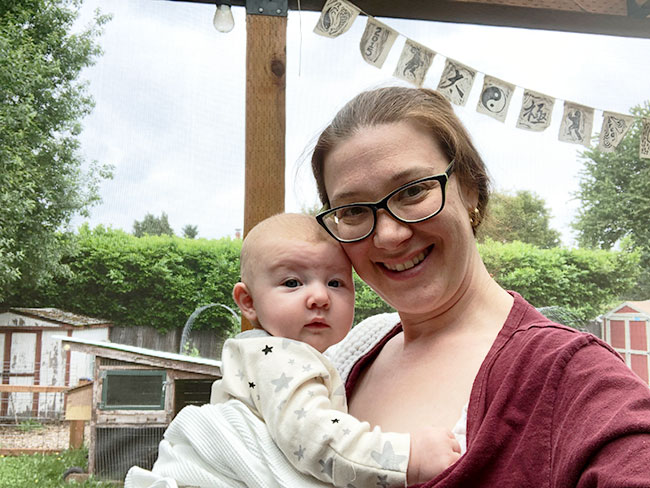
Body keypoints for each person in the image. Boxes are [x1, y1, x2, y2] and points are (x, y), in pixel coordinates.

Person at [311, 86, 650, 487]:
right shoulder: (346, 357)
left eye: (413, 190)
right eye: (352, 211)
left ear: (469, 186)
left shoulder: (569, 374)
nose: (388, 235)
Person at [211, 212, 461, 487]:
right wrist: (407, 459)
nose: (320, 297)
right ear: (248, 301)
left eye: (335, 283)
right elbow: (314, 439)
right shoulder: (278, 357)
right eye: (292, 283)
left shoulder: (265, 355)